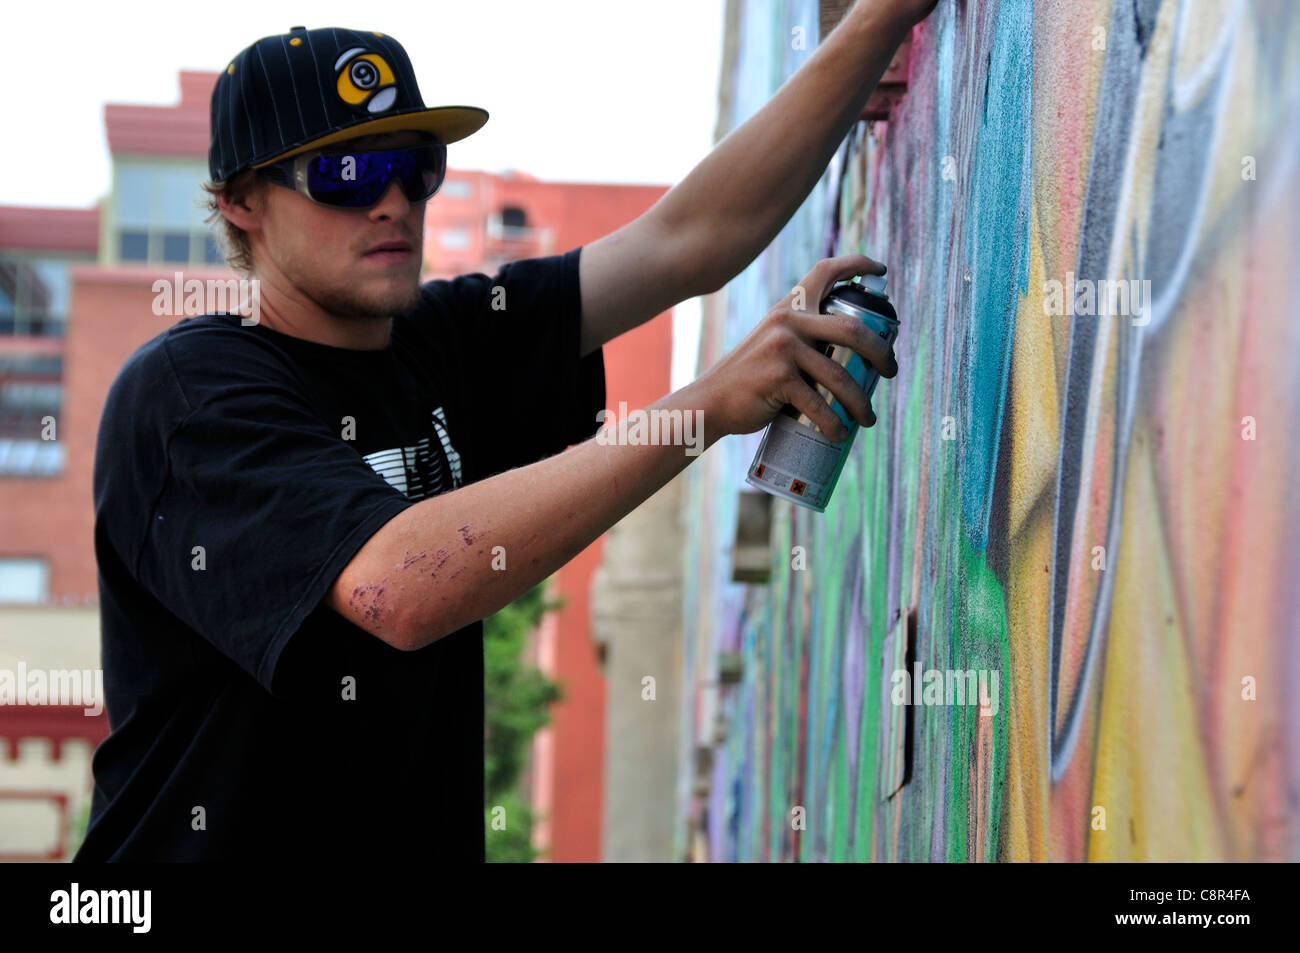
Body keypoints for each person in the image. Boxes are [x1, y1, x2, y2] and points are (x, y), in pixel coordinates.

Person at [76, 4, 931, 862]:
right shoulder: (190, 397)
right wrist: (700, 407)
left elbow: (690, 239)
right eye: (346, 172)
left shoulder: (442, 340)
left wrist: (881, 20)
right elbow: (397, 590)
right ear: (240, 203)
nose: (392, 202)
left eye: (415, 168)